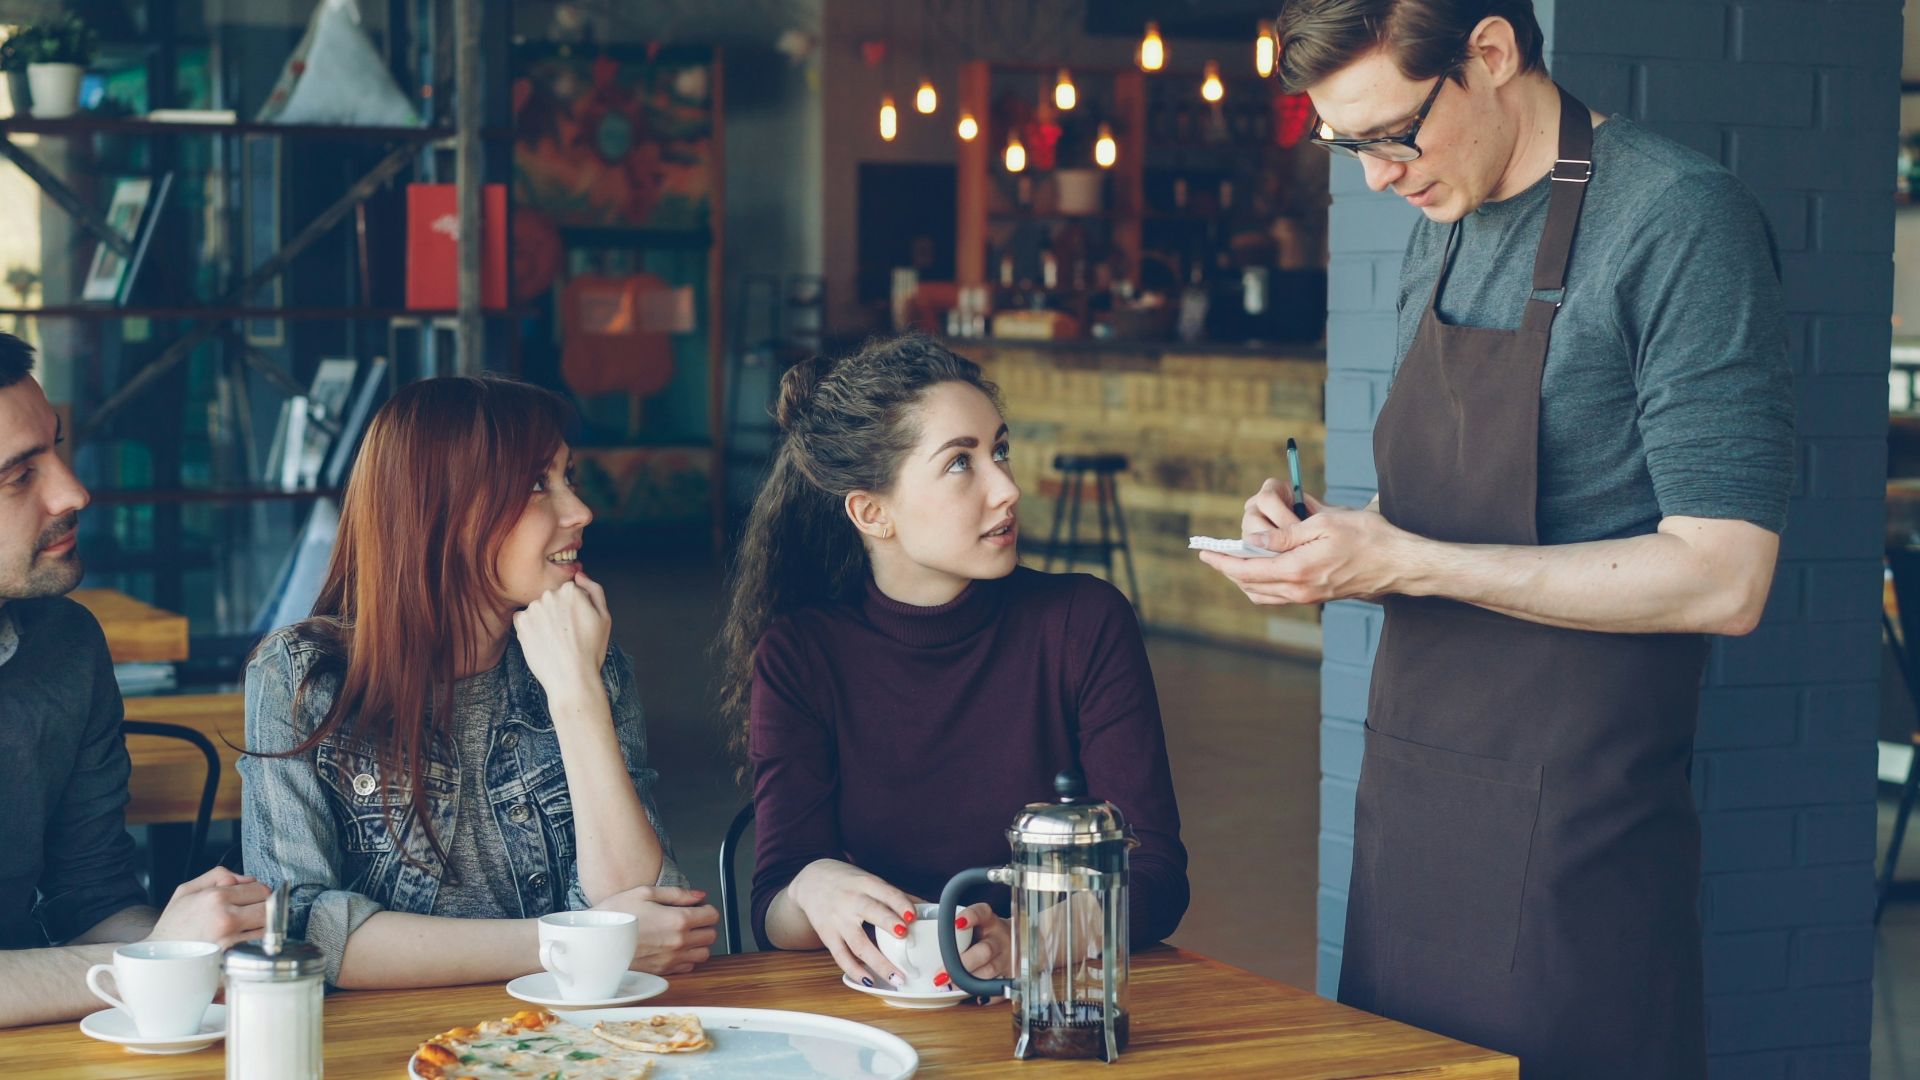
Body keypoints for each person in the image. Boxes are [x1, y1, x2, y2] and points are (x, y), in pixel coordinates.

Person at [1199, 4, 1795, 1077]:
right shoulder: (1449, 217)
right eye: (1347, 147)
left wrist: (1407, 561)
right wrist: (1336, 542)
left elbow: (1726, 576)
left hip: (1579, 826)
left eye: (1392, 135)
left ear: (1490, 54)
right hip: (1413, 811)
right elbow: (1438, 524)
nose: (1378, 177)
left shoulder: (1679, 221)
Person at [718, 333, 1189, 988]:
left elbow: (1155, 876)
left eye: (1000, 450)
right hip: (880, 1015)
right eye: (961, 464)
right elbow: (773, 907)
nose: (1007, 488)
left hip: (1050, 1007)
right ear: (871, 512)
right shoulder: (802, 657)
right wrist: (812, 887)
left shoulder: (1084, 622)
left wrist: (1026, 942)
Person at [242, 374, 717, 989]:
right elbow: (294, 932)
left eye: (567, 478)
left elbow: (647, 915)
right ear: (441, 512)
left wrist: (577, 697)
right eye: (535, 486)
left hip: (561, 1039)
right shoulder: (302, 680)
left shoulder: (584, 658)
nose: (580, 511)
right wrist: (561, 943)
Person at [0, 332, 268, 1026]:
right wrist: (152, 960)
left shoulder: (64, 644)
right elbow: (138, 954)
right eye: (18, 475)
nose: (74, 490)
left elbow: (91, 900)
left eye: (56, 448)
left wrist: (208, 955)